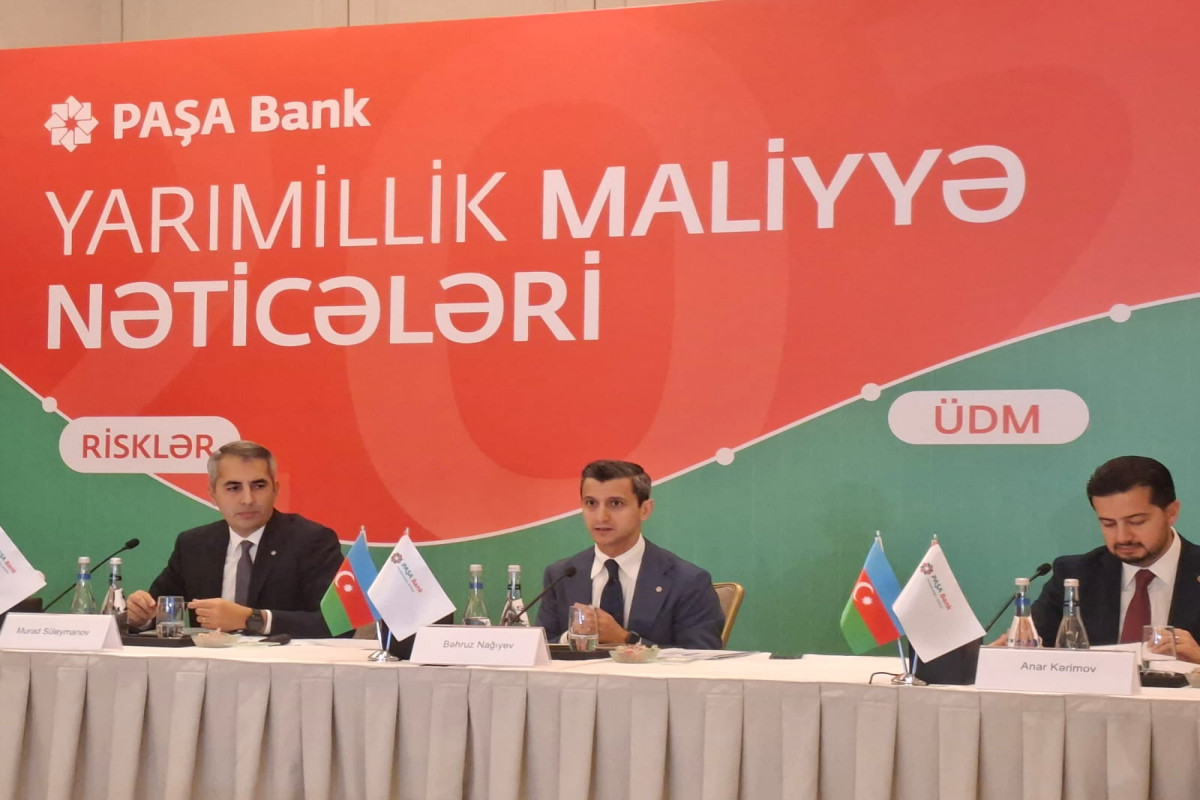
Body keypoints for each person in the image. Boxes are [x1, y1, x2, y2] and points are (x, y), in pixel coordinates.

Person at [126, 440, 342, 638]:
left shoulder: (312, 541)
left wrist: (251, 619)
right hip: (207, 664)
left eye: (259, 486)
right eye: (233, 488)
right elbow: (158, 610)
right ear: (213, 494)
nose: (247, 499)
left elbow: (336, 624)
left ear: (275, 490)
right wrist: (141, 616)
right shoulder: (194, 545)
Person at [535, 460, 725, 649]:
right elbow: (541, 648)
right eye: (591, 503)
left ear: (645, 510)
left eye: (616, 503)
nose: (601, 517)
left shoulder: (688, 581)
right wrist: (571, 638)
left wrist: (626, 639)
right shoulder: (561, 576)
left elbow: (703, 656)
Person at [1031, 455, 1200, 662]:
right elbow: (1033, 647)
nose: (1122, 537)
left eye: (1137, 522)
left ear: (1171, 513)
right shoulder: (1075, 576)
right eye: (1108, 524)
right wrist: (1014, 652)